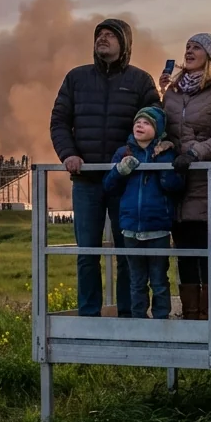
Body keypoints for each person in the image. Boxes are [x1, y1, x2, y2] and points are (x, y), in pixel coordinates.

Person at [50, 18, 160, 317]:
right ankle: (89, 314)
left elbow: (155, 121)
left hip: (125, 181)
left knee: (128, 253)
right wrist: (68, 154)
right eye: (100, 34)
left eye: (111, 35)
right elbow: (59, 121)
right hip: (85, 180)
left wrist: (134, 152)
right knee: (87, 252)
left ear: (125, 44)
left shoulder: (140, 81)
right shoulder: (76, 78)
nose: (103, 38)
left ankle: (129, 314)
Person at [162, 33, 211, 320]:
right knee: (184, 250)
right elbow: (164, 128)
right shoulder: (172, 92)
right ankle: (192, 315)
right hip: (178, 182)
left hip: (207, 181)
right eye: (188, 46)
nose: (189, 51)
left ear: (210, 56)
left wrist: (195, 153)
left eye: (197, 47)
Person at [103, 107, 184, 320]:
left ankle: (161, 319)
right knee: (136, 280)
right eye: (138, 121)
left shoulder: (167, 153)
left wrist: (162, 164)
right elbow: (109, 186)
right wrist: (119, 171)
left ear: (158, 129)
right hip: (130, 228)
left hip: (158, 228)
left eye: (147, 123)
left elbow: (175, 185)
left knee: (159, 279)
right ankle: (138, 319)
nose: (140, 125)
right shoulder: (124, 153)